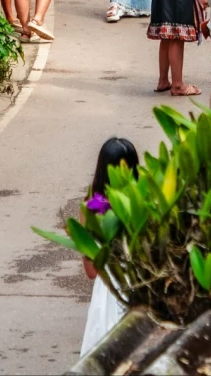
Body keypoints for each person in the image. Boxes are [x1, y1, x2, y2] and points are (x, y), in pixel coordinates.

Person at [79, 139, 140, 359]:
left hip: (107, 293)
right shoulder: (145, 201)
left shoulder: (91, 208)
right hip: (142, 284)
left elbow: (91, 271)